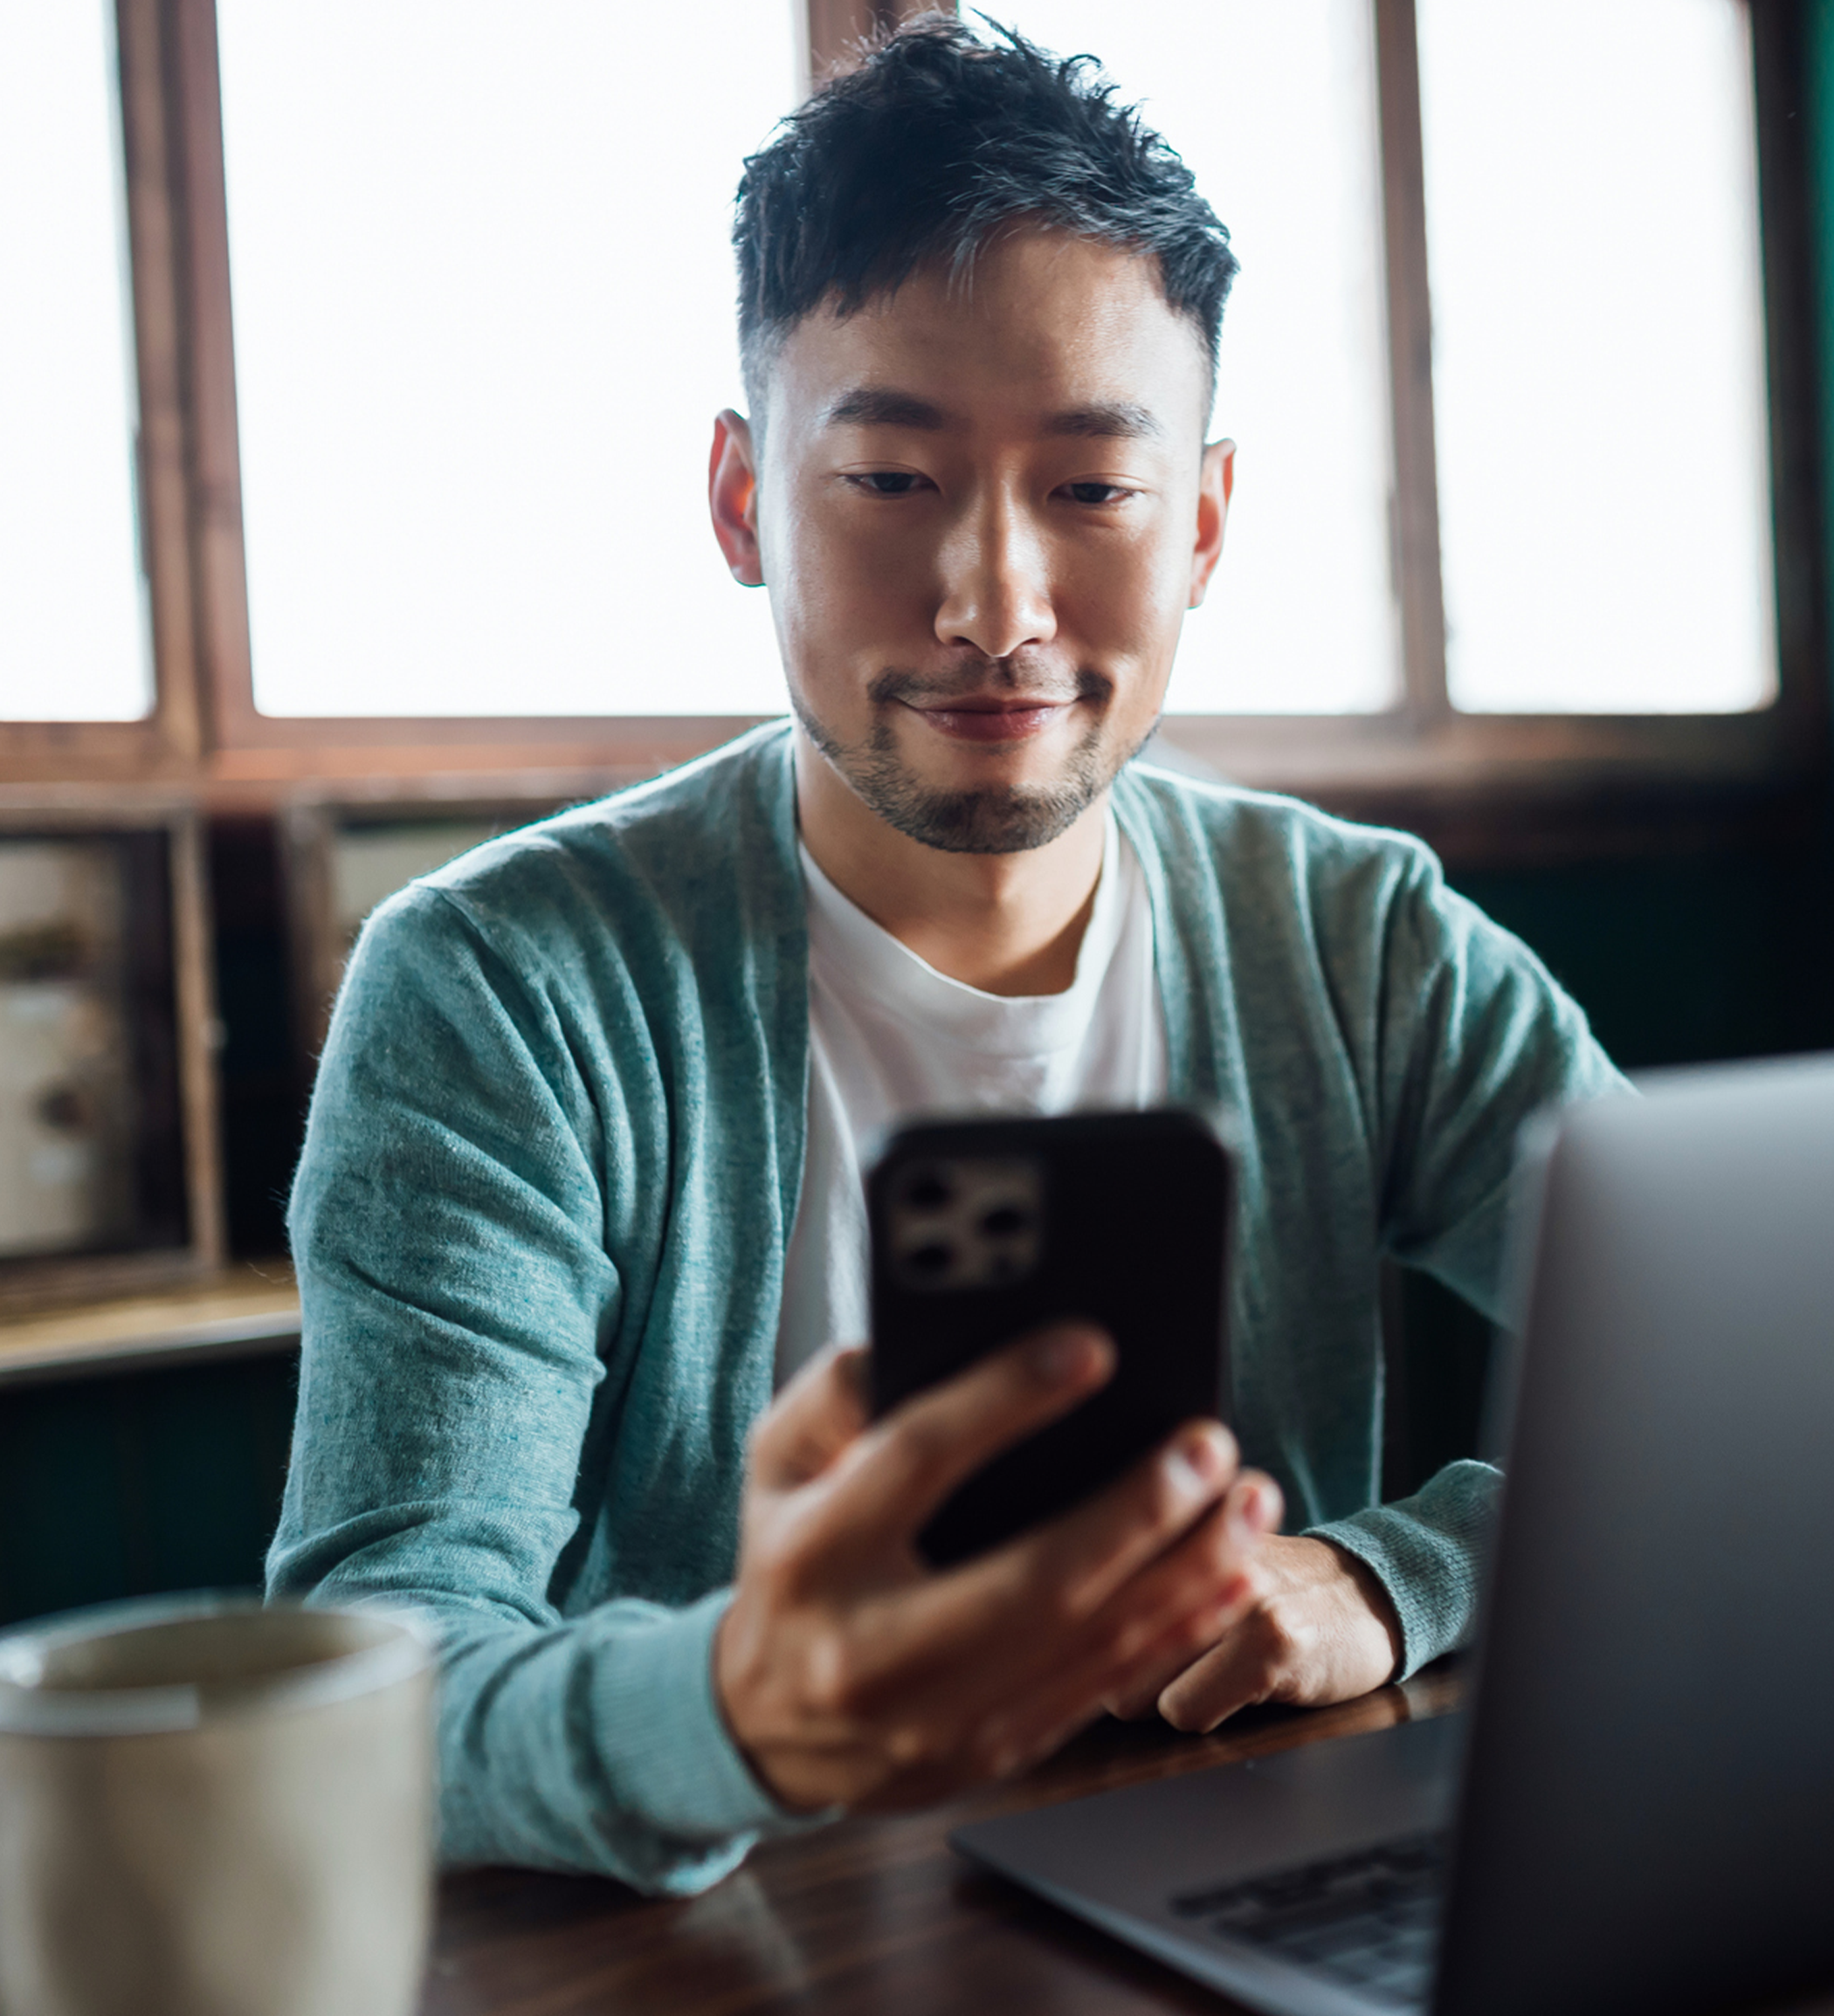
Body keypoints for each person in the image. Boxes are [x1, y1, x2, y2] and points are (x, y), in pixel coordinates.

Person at [267, 20, 1624, 1892]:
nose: (996, 600)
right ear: (745, 502)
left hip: (1254, 1893)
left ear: (1206, 521)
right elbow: (376, 1684)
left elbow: (1747, 1395)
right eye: (894, 482)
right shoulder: (502, 991)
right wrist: (740, 1709)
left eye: (1093, 488)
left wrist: (1400, 1573)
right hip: (725, 1948)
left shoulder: (1357, 940)